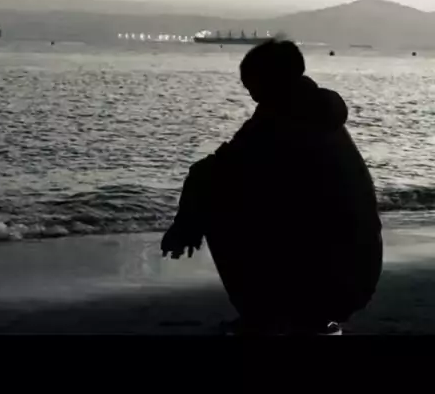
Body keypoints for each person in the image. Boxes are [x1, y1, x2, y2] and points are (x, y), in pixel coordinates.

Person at [161, 39, 383, 335]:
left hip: (330, 278)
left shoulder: (281, 121)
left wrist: (185, 226)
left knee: (218, 201)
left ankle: (263, 313)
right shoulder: (323, 117)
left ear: (269, 80)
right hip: (361, 271)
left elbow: (210, 173)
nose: (251, 94)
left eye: (252, 84)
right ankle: (291, 313)